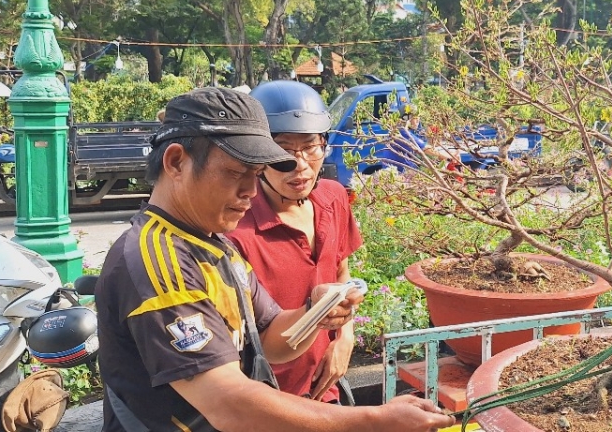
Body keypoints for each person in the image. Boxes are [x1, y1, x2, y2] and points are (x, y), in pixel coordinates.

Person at [95, 87, 454, 432]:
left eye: (255, 175)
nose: (250, 192)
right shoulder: (156, 260)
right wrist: (374, 421)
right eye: (236, 172)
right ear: (176, 161)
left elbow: (270, 340)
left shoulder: (212, 243)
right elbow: (229, 404)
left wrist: (315, 313)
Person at [227, 80, 360, 402]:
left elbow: (341, 272)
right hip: (266, 399)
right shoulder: (235, 228)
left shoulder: (333, 197)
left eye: (310, 147)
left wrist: (344, 338)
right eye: (283, 150)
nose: (299, 165)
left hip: (322, 386)